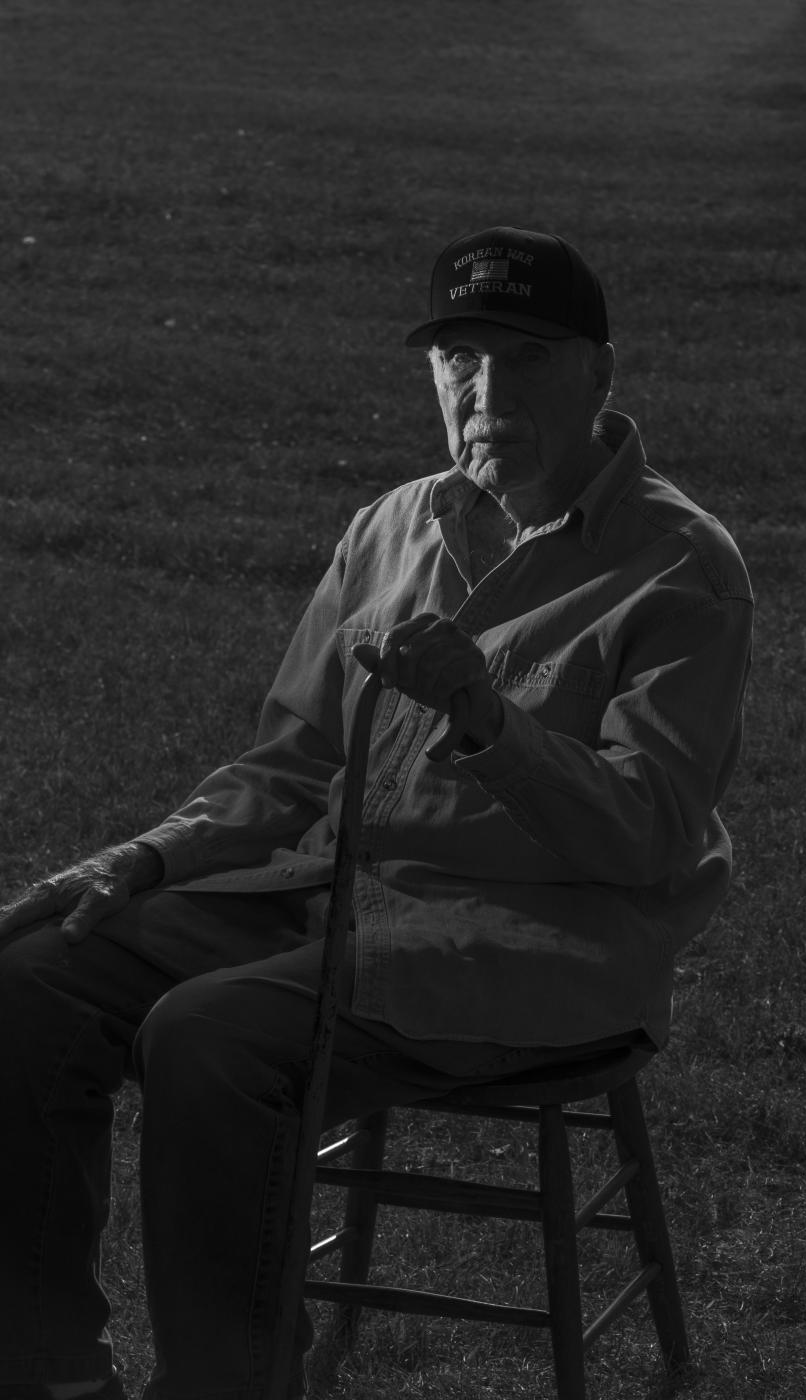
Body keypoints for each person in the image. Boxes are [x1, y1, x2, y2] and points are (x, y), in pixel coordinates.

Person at [0, 226, 754, 1400]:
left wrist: (488, 722)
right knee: (37, 973)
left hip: (537, 944)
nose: (486, 391)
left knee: (207, 1035)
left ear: (601, 373)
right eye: (459, 357)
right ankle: (46, 1371)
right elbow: (291, 762)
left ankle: (228, 1385)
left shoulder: (682, 569)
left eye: (527, 357)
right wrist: (145, 857)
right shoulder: (395, 524)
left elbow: (648, 831)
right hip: (335, 902)